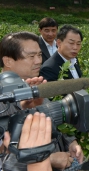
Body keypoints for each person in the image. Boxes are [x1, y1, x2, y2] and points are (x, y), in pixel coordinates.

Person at [0, 31, 84, 171]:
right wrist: (47, 159)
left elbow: (53, 118)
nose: (39, 61)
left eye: (39, 55)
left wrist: (71, 142)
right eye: (31, 56)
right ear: (8, 61)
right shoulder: (3, 98)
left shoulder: (32, 87)